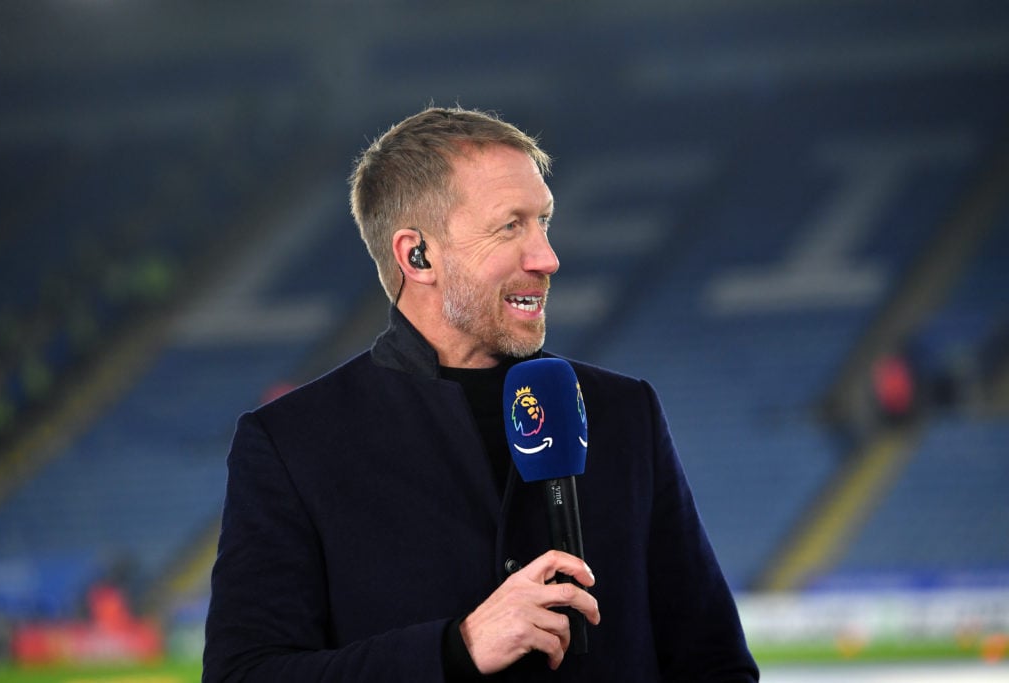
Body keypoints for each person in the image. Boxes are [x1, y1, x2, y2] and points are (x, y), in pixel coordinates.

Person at [203, 106, 759, 681]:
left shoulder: (624, 411)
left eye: (543, 221)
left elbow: (713, 661)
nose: (547, 258)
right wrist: (455, 648)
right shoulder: (295, 443)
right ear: (417, 256)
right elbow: (244, 674)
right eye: (511, 226)